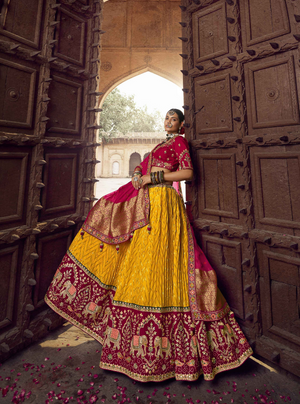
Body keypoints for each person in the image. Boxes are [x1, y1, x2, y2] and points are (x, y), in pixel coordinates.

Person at [45, 109, 252, 382]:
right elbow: (142, 169)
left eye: (173, 119)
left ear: (181, 125)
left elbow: (188, 173)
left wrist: (151, 179)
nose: (168, 121)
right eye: (166, 118)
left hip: (164, 205)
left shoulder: (179, 143)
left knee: (162, 258)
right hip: (146, 204)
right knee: (140, 259)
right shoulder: (159, 145)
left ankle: (165, 341)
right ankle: (131, 341)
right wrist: (136, 172)